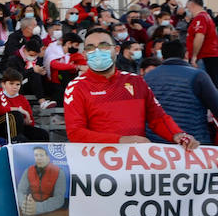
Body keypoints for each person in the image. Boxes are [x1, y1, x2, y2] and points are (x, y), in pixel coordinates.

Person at [63, 28, 197, 148]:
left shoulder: (136, 81)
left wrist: (177, 134)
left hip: (134, 165)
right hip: (98, 167)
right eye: (90, 47)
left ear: (116, 50)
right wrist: (120, 140)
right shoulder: (76, 87)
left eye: (103, 45)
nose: (97, 51)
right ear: (85, 54)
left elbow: (158, 118)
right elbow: (76, 133)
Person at [143, 40, 218, 145]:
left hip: (156, 142)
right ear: (186, 54)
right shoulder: (198, 75)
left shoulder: (148, 77)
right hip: (192, 140)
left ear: (161, 56)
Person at [0, 69, 50, 142]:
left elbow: (31, 122)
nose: (15, 87)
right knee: (14, 115)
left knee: (42, 134)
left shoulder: (22, 99)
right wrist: (16, 109)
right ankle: (15, 141)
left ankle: (35, 151)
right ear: (3, 84)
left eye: (18, 84)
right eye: (11, 83)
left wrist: (27, 120)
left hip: (17, 127)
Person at [17, 146, 67, 216]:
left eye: (41, 155)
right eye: (36, 155)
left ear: (48, 158)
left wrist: (37, 208)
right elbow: (20, 191)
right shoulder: (28, 171)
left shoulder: (59, 172)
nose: (38, 158)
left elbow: (59, 198)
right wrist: (24, 204)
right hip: (30, 207)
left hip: (51, 209)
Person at [185, 0, 218, 88]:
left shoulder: (200, 18)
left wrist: (194, 56)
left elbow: (199, 36)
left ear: (192, 5)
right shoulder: (207, 17)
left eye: (188, 8)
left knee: (202, 86)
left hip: (204, 56)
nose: (188, 11)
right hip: (209, 55)